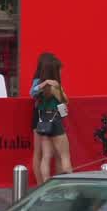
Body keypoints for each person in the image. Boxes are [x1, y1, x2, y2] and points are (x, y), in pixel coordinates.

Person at [29, 53, 72, 184]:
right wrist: (57, 88)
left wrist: (44, 84)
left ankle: (44, 185)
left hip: (43, 121)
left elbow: (32, 93)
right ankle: (68, 186)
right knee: (64, 155)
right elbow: (65, 101)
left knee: (46, 157)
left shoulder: (39, 85)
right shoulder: (55, 86)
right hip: (55, 121)